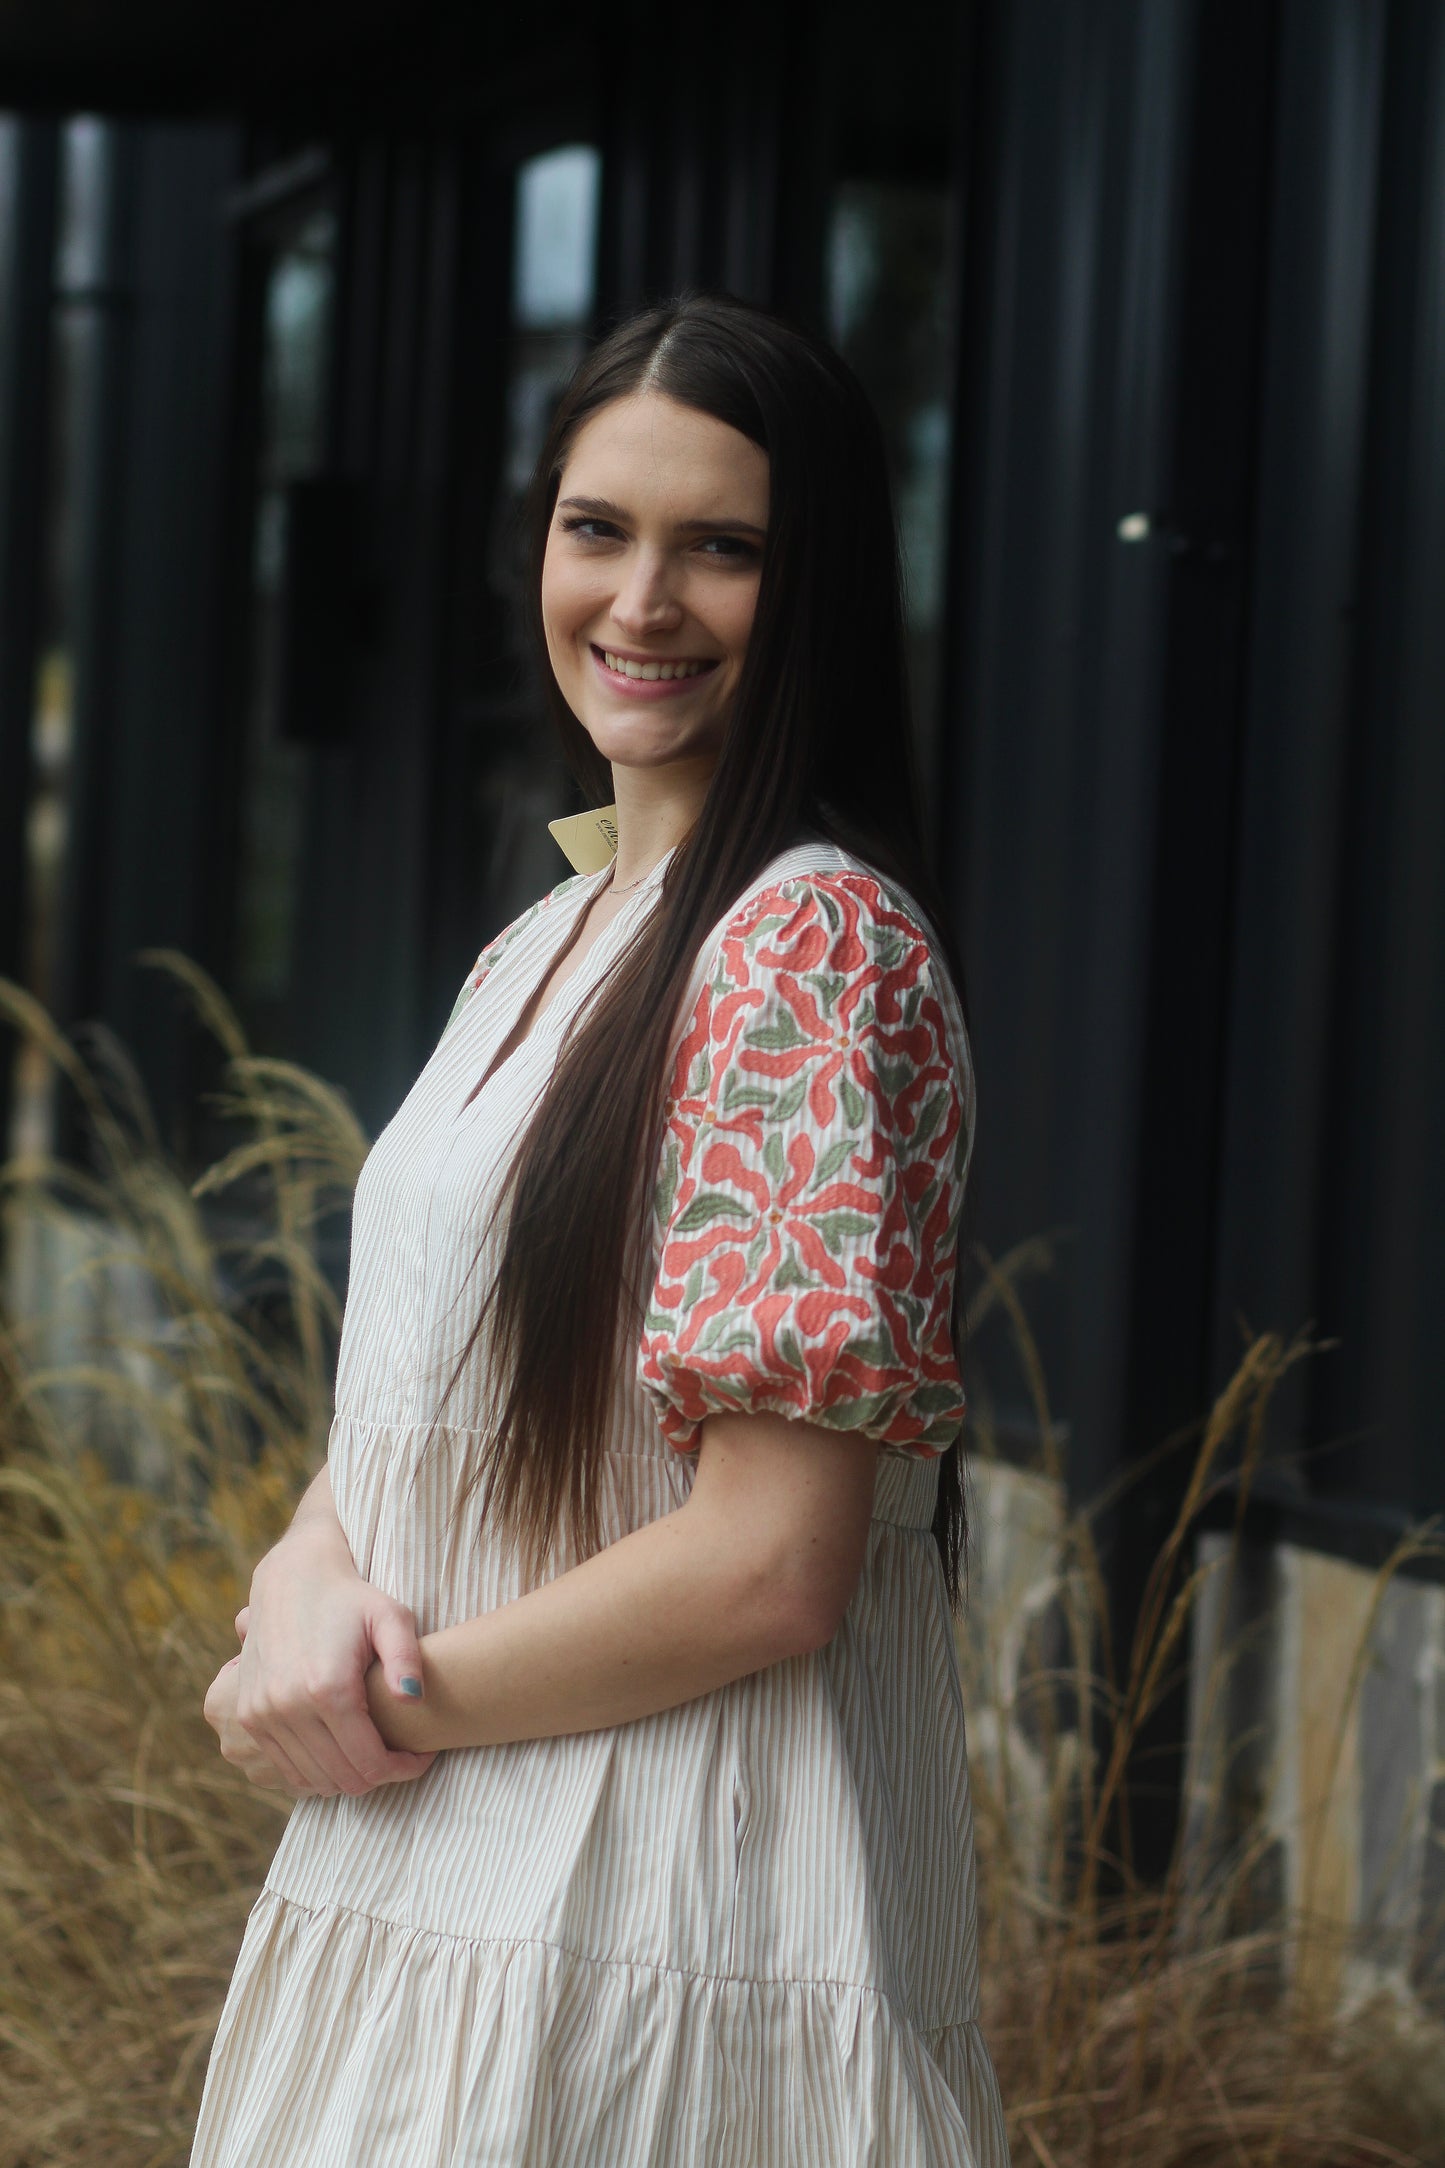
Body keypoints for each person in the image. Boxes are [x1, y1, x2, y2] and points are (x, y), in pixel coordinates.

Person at [192, 291, 1010, 2168]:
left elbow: (771, 1564)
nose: (641, 603)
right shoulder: (545, 936)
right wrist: (300, 1594)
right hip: (439, 1875)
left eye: (721, 548)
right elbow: (419, 1402)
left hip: (656, 1905)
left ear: (814, 591)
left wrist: (376, 1702)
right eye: (599, 529)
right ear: (537, 543)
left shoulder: (806, 946)